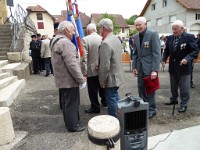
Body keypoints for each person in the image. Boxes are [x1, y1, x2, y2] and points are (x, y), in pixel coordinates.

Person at [51, 21, 86, 132]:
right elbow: (72, 65)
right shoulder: (66, 43)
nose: (74, 33)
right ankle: (73, 126)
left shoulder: (55, 40)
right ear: (66, 30)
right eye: (72, 30)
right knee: (71, 104)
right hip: (69, 80)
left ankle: (71, 123)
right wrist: (81, 80)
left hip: (62, 79)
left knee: (67, 104)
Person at [162, 20, 199, 113]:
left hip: (184, 66)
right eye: (173, 29)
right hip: (172, 66)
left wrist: (187, 58)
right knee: (173, 86)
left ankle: (183, 104)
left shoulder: (189, 37)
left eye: (176, 29)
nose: (174, 31)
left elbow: (195, 51)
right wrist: (163, 59)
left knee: (184, 87)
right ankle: (173, 99)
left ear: (182, 29)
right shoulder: (170, 38)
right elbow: (166, 50)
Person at [132, 17, 161, 119]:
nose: (138, 27)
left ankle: (152, 110)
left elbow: (157, 53)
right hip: (140, 68)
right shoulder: (135, 36)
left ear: (145, 24)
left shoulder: (153, 34)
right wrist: (134, 67)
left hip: (149, 68)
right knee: (141, 89)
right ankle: (143, 108)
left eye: (140, 24)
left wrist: (154, 70)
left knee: (150, 90)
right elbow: (135, 54)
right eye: (136, 25)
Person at [98, 18, 124, 118]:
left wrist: (102, 81)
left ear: (103, 28)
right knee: (115, 97)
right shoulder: (116, 39)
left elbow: (105, 66)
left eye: (100, 28)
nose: (99, 30)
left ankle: (114, 120)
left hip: (111, 77)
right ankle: (120, 116)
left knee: (111, 99)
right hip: (117, 75)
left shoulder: (106, 43)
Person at [81, 23, 106, 114]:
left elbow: (84, 57)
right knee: (102, 86)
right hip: (102, 67)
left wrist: (84, 71)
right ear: (95, 29)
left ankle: (95, 107)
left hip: (91, 69)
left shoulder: (85, 39)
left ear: (88, 31)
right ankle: (105, 101)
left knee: (92, 90)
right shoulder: (103, 38)